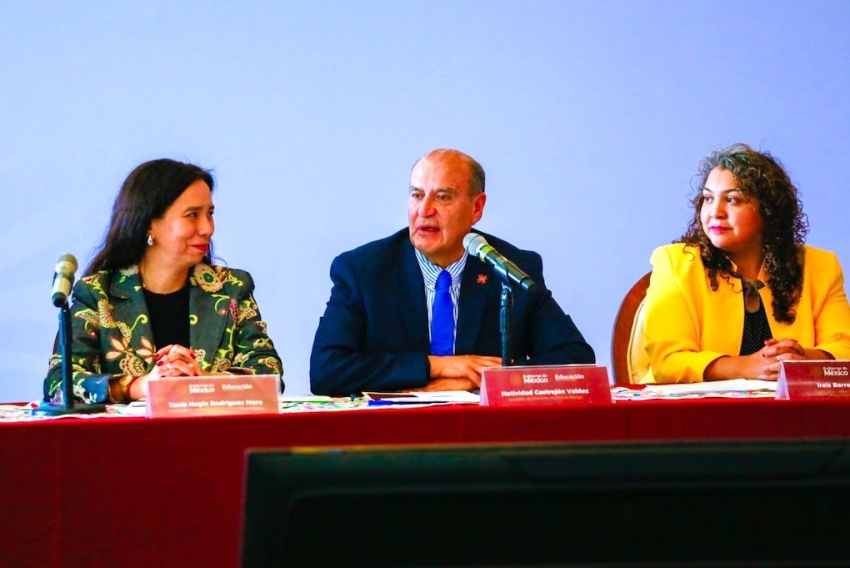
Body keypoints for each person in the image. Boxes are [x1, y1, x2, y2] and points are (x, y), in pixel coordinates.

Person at [310, 148, 595, 396]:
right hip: (393, 433)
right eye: (417, 195)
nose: (425, 210)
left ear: (477, 208)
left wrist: (481, 381)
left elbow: (577, 360)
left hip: (485, 434)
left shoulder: (510, 268)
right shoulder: (363, 271)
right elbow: (326, 370)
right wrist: (436, 366)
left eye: (443, 197)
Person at [44, 159, 282, 404]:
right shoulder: (97, 293)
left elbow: (269, 373)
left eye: (209, 214)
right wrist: (140, 386)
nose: (207, 228)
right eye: (192, 215)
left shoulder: (231, 288)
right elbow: (59, 382)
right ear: (149, 225)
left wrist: (205, 381)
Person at [641, 144, 850, 384]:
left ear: (768, 210)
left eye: (732, 199)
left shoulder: (820, 266)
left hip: (790, 406)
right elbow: (668, 362)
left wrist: (799, 359)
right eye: (708, 198)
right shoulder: (674, 263)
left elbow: (844, 349)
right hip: (693, 406)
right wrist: (749, 367)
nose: (715, 212)